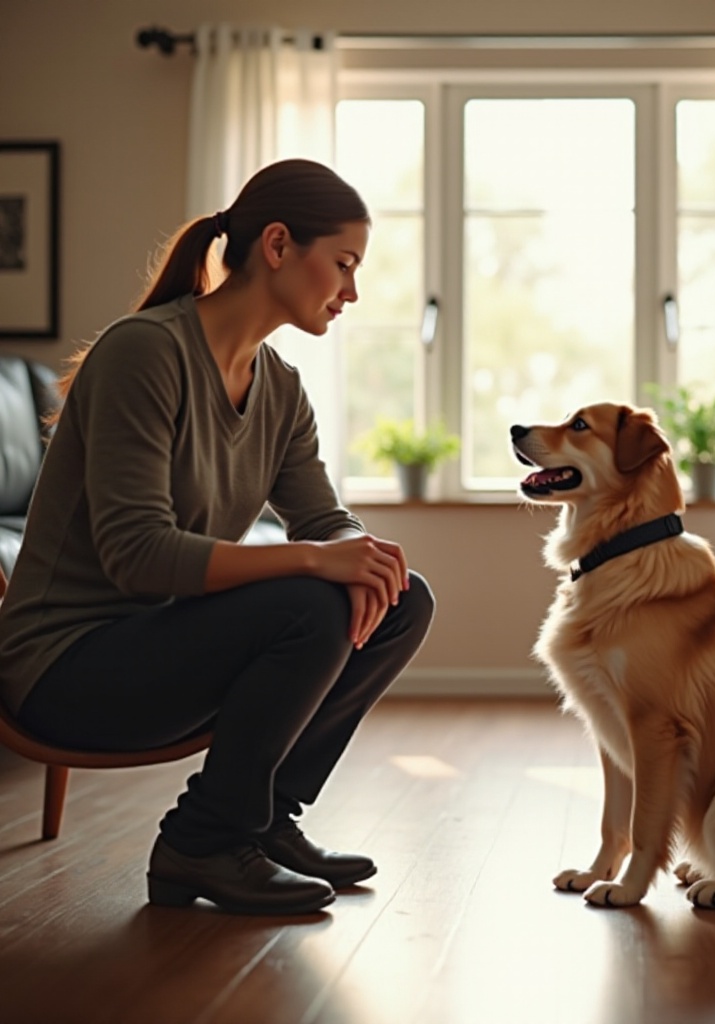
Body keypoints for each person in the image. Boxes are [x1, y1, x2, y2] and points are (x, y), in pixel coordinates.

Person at [0, 159, 435, 915]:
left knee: (401, 598)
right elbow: (138, 556)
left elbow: (323, 519)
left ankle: (263, 823)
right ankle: (203, 841)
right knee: (311, 600)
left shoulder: (281, 388)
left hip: (159, 649)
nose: (353, 292)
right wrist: (315, 560)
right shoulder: (144, 352)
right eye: (343, 264)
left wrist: (360, 554)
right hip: (66, 671)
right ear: (276, 245)